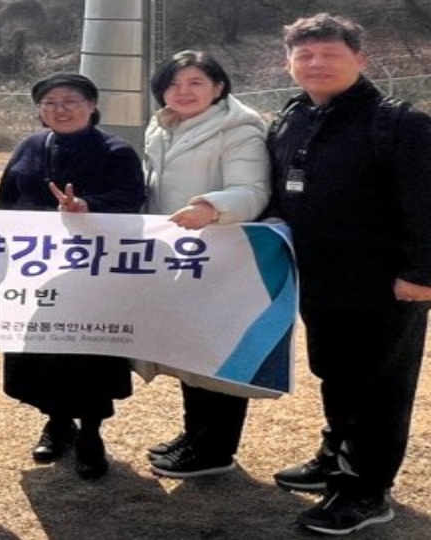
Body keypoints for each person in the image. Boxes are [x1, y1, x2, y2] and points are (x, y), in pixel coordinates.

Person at [266, 14, 431, 535]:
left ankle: (366, 489)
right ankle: (336, 454)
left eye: (330, 53)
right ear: (289, 63)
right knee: (335, 372)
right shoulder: (293, 119)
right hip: (319, 281)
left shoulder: (399, 123)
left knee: (380, 387)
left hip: (385, 286)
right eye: (304, 54)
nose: (316, 63)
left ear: (360, 59)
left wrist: (424, 273)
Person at [0, 73, 147, 480]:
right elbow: (7, 198)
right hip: (35, 268)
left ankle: (91, 435)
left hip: (92, 271)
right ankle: (58, 423)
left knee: (88, 353)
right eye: (50, 103)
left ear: (92, 106)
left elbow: (132, 199)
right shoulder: (31, 146)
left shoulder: (116, 151)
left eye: (70, 101)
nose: (60, 109)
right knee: (42, 351)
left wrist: (87, 206)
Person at [134, 50, 272, 479]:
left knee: (219, 351)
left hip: (222, 255)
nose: (183, 92)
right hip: (177, 255)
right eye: (173, 84)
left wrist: (212, 207)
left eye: (196, 82)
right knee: (188, 348)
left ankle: (215, 448)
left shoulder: (239, 130)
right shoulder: (161, 126)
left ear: (219, 87)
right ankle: (195, 434)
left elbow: (253, 190)